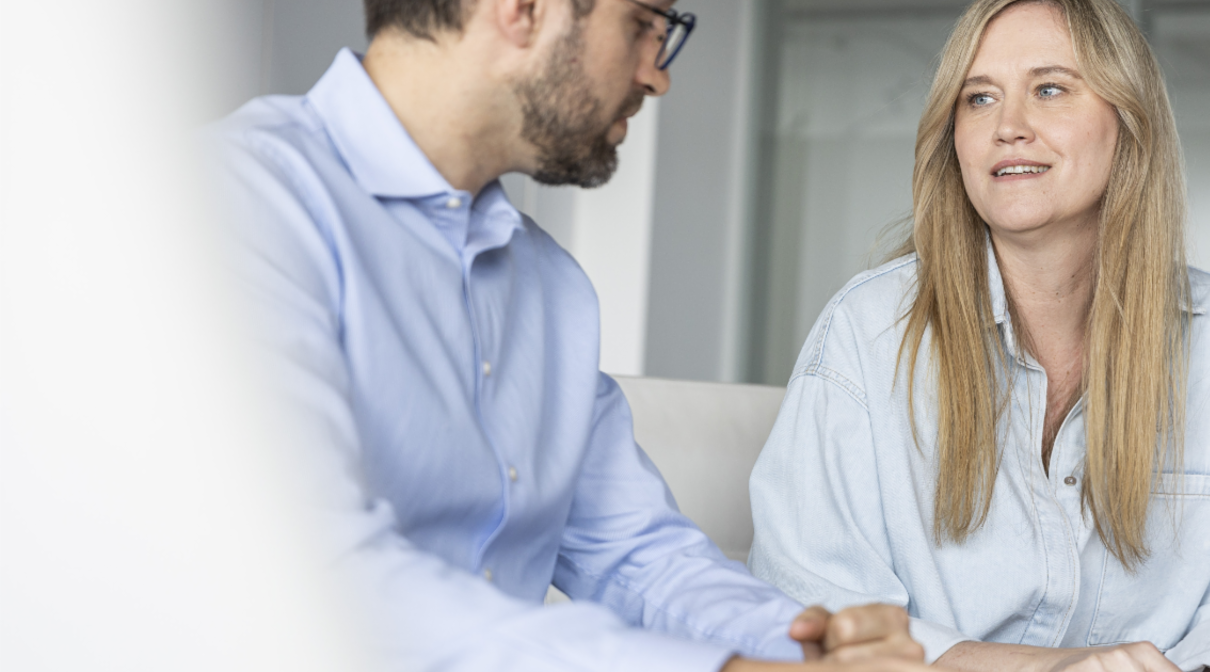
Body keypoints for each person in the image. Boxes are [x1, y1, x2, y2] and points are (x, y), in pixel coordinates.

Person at [207, 0, 931, 670]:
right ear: (524, 10)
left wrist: (806, 645)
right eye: (646, 24)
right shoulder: (232, 204)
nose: (658, 74)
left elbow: (632, 553)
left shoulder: (550, 288)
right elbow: (311, 573)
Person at [745, 1, 1210, 671]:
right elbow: (817, 619)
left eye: (1049, 89)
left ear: (1127, 121)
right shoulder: (868, 334)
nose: (1009, 127)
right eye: (978, 99)